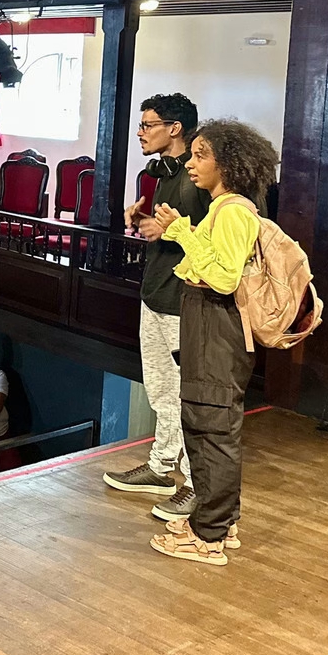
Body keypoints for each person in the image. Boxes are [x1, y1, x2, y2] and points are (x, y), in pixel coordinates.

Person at [147, 119, 276, 567]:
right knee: (202, 425)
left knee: (214, 429)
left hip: (219, 332)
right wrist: (182, 227)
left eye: (202, 155)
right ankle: (219, 521)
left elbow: (221, 278)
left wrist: (182, 234)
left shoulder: (235, 210)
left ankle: (210, 536)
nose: (193, 163)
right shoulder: (219, 208)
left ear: (228, 163)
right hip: (205, 328)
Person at [105, 93, 209, 518]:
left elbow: (213, 236)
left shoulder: (198, 177)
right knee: (162, 390)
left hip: (183, 300)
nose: (140, 133)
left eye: (148, 125)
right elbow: (163, 229)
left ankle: (194, 479)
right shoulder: (164, 174)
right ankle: (162, 466)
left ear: (175, 128)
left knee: (188, 393)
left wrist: (166, 231)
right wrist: (142, 223)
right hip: (156, 293)